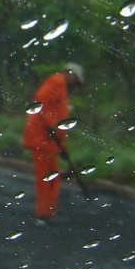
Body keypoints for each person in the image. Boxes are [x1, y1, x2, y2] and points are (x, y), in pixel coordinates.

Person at [22, 63, 85, 223]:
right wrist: (50, 125)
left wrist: (62, 147)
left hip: (50, 141)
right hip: (41, 138)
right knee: (46, 177)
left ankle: (49, 211)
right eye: (75, 80)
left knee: (52, 177)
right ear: (71, 74)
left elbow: (57, 115)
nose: (75, 85)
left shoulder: (62, 87)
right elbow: (40, 101)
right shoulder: (56, 81)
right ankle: (44, 213)